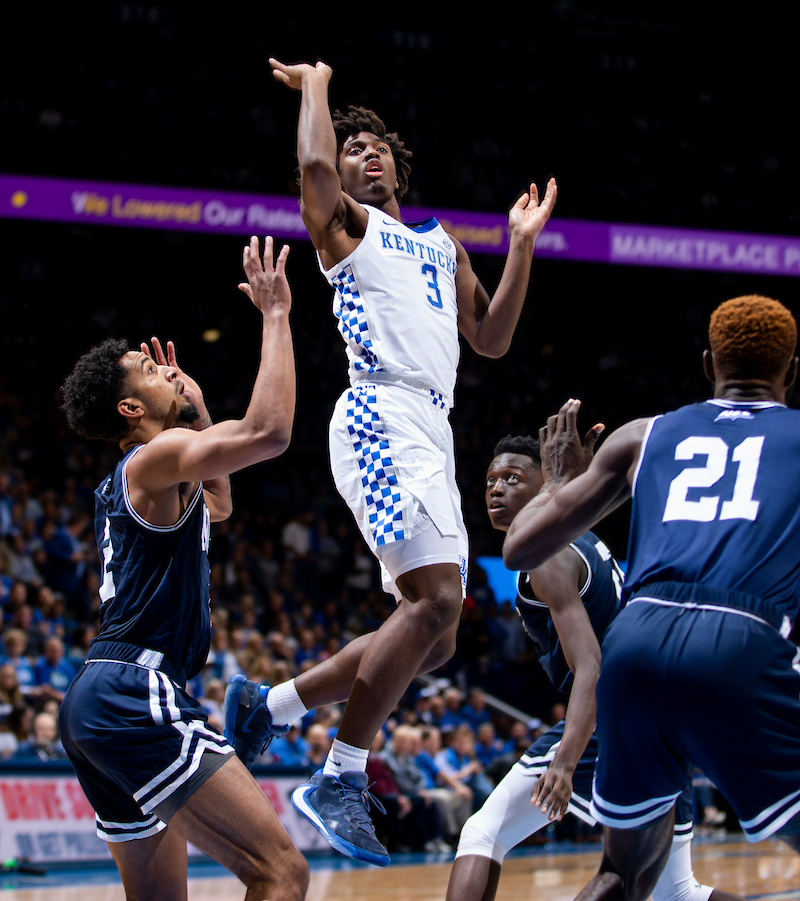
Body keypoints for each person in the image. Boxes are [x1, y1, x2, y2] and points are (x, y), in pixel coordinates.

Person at [231, 56, 556, 867]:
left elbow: (492, 339)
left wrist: (519, 246)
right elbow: (309, 167)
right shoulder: (345, 227)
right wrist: (316, 90)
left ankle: (268, 705)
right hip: (379, 408)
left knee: (437, 638)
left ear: (398, 164)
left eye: (376, 147)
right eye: (352, 150)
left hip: (434, 427)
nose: (364, 155)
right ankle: (341, 774)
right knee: (436, 600)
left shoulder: (443, 244)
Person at [502, 295, 800, 901]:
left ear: (709, 362)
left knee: (622, 873)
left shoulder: (645, 435)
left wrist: (558, 483)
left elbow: (520, 548)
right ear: (792, 371)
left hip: (635, 643)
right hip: (739, 639)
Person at [57, 238, 309, 901]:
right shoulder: (154, 458)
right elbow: (271, 432)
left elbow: (218, 503)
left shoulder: (149, 472)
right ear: (131, 411)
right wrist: (277, 316)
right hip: (137, 689)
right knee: (282, 872)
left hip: (97, 698)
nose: (165, 369)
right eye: (148, 369)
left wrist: (193, 404)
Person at [447, 419, 731, 901]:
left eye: (513, 479)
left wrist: (565, 760)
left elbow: (591, 666)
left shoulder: (546, 554)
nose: (496, 489)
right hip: (655, 718)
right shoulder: (582, 538)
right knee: (678, 894)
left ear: (544, 483)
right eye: (491, 480)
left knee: (483, 833)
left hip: (610, 717)